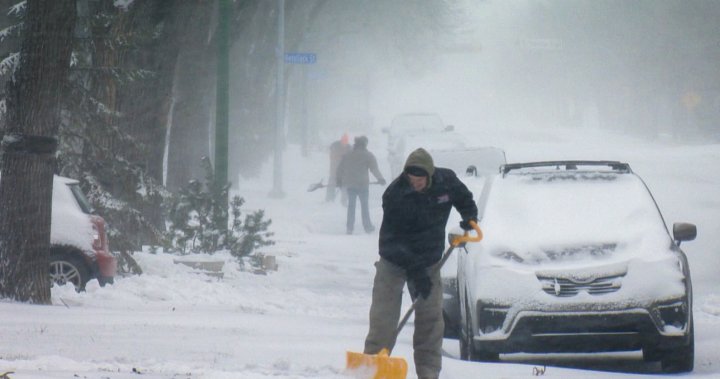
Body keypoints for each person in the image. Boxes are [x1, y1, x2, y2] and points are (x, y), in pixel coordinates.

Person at [363, 147, 478, 379]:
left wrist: (469, 216)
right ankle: (372, 370)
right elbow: (391, 240)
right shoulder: (395, 194)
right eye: (411, 179)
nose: (415, 183)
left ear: (430, 175)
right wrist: (416, 273)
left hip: (429, 260)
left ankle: (428, 373)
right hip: (394, 260)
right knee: (383, 319)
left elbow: (463, 196)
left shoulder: (445, 181)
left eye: (420, 179)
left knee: (431, 320)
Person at [336, 135, 386, 234]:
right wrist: (380, 178)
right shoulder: (368, 155)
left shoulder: (348, 155)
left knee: (351, 206)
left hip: (351, 185)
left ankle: (349, 228)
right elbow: (374, 169)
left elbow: (340, 168)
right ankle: (367, 227)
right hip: (363, 185)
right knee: (364, 206)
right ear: (365, 144)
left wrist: (339, 181)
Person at [326, 133, 352, 203]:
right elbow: (333, 156)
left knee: (345, 186)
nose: (345, 143)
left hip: (344, 172)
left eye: (346, 141)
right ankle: (329, 199)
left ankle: (344, 201)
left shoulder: (349, 148)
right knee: (331, 184)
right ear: (341, 140)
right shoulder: (335, 146)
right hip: (334, 170)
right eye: (343, 140)